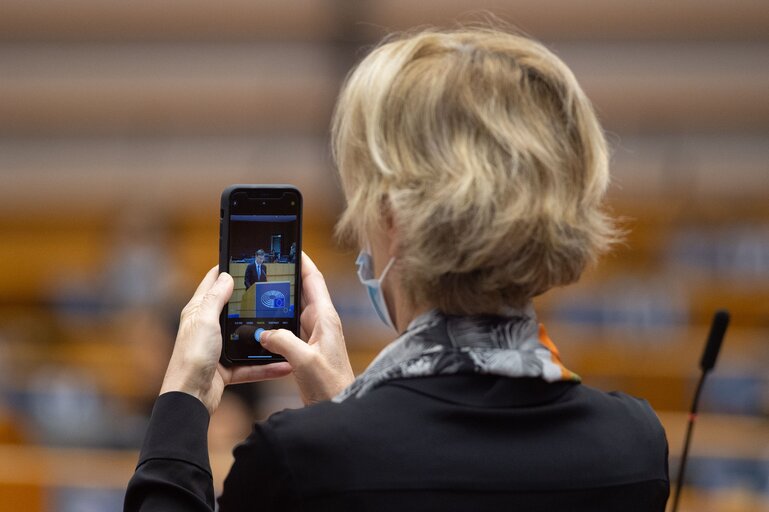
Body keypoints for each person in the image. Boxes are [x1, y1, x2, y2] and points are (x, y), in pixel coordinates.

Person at [125, 26, 669, 511]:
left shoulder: (297, 459)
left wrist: (183, 400)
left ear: (393, 220)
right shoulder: (636, 446)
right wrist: (340, 411)